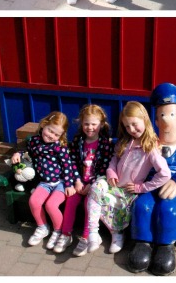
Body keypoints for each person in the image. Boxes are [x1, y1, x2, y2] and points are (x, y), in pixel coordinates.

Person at [81, 101, 171, 256]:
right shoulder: (126, 141)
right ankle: (93, 233)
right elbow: (115, 159)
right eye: (127, 126)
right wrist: (111, 172)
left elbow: (165, 174)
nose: (132, 130)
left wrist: (141, 188)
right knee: (95, 188)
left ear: (145, 120)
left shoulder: (150, 147)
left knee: (117, 209)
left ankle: (117, 234)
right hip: (112, 183)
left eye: (135, 124)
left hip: (127, 192)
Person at [128, 83, 176, 275]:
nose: (166, 119)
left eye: (171, 114)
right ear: (156, 122)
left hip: (170, 189)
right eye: (161, 116)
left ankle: (165, 246)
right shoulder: (150, 147)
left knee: (166, 208)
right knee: (142, 206)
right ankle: (142, 242)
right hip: (151, 185)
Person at [10, 111, 78, 248]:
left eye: (56, 134)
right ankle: (43, 227)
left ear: (61, 135)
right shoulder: (35, 141)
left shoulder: (60, 147)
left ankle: (58, 231)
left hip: (60, 183)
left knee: (51, 205)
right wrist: (18, 153)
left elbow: (67, 166)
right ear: (44, 125)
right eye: (50, 131)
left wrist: (69, 185)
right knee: (34, 201)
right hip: (44, 182)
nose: (51, 136)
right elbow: (28, 153)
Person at [54, 105, 115, 255]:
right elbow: (72, 163)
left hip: (94, 184)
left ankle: (86, 237)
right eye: (86, 123)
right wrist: (77, 181)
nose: (90, 127)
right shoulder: (78, 141)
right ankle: (66, 234)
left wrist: (91, 183)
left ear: (101, 124)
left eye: (94, 124)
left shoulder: (105, 144)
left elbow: (104, 167)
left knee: (90, 204)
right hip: (79, 182)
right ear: (81, 123)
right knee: (71, 200)